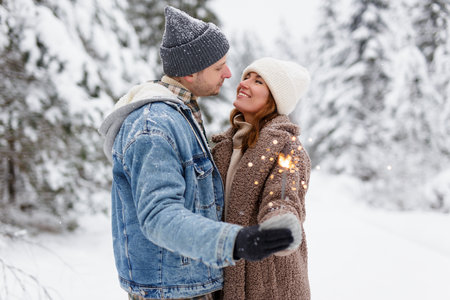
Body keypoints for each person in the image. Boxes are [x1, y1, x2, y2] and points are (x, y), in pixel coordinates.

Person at [99, 7, 294, 300]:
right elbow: (160, 217)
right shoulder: (154, 127)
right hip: (170, 291)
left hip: (186, 284)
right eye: (219, 67)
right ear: (191, 71)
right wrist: (235, 242)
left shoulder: (181, 114)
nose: (230, 75)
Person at [211, 57, 312, 300]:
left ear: (274, 99)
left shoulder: (286, 146)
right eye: (246, 76)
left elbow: (284, 195)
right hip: (224, 275)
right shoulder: (222, 146)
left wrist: (280, 222)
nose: (244, 83)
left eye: (258, 81)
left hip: (270, 281)